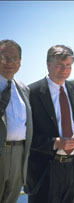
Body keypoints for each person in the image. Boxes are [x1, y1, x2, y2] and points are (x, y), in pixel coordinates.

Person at [25, 45, 74, 203]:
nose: (64, 69)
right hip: (45, 171)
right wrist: (55, 143)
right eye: (60, 65)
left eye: (68, 65)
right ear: (48, 64)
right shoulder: (32, 92)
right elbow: (26, 135)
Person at [0, 39, 32, 203]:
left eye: (14, 59)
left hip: (19, 154)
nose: (9, 63)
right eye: (4, 58)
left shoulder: (23, 89)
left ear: (20, 62)